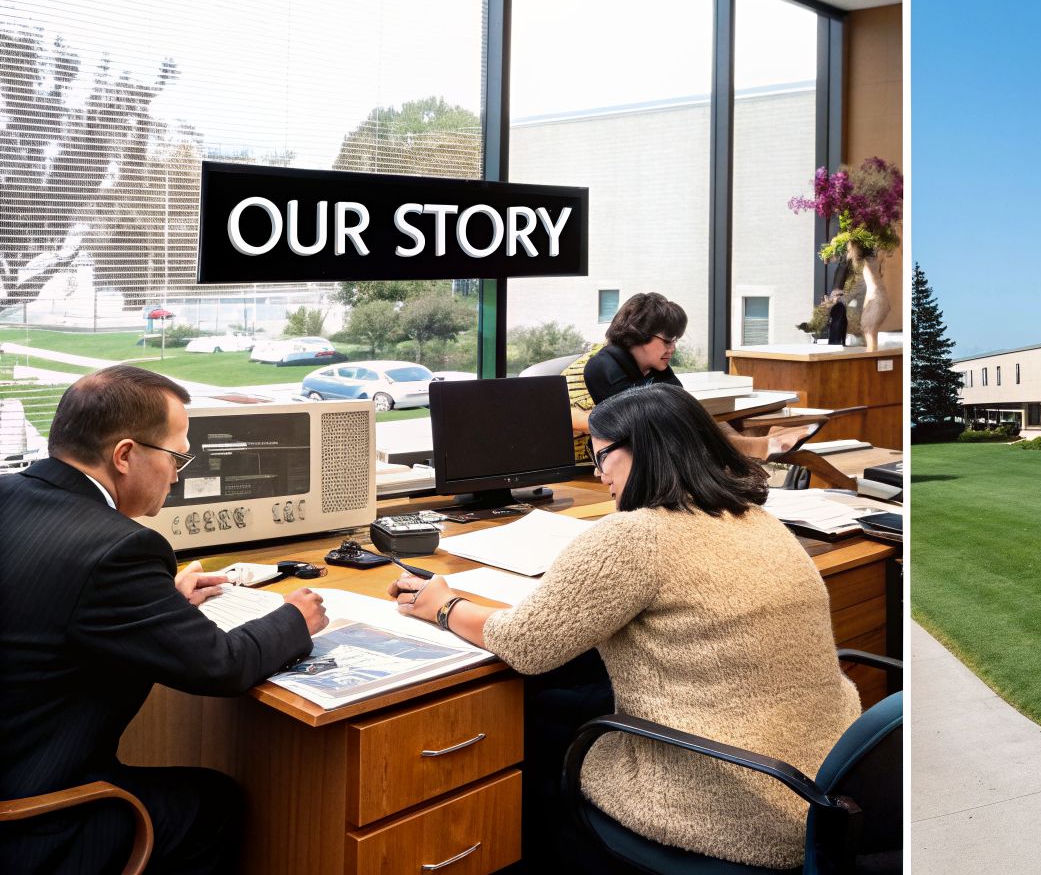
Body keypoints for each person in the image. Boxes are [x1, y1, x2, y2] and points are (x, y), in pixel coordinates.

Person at [386, 383, 859, 870]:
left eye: (603, 456)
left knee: (532, 735)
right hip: (820, 779)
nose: (597, 472)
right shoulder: (757, 518)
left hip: (732, 803)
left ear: (645, 451)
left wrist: (442, 604)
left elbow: (525, 644)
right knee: (566, 700)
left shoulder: (636, 536)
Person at [0, 365, 327, 875]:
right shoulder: (119, 548)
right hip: (30, 822)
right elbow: (222, 666)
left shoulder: (10, 495)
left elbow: (48, 599)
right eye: (176, 456)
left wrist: (157, 602)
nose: (178, 474)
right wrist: (294, 620)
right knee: (213, 803)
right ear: (125, 455)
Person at [564, 291, 807, 464]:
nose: (673, 348)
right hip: (581, 454)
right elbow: (639, 422)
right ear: (638, 334)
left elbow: (679, 405)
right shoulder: (603, 365)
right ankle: (756, 448)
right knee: (677, 425)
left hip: (625, 440)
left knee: (696, 414)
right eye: (667, 340)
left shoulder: (653, 364)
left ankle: (754, 445)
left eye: (676, 340)